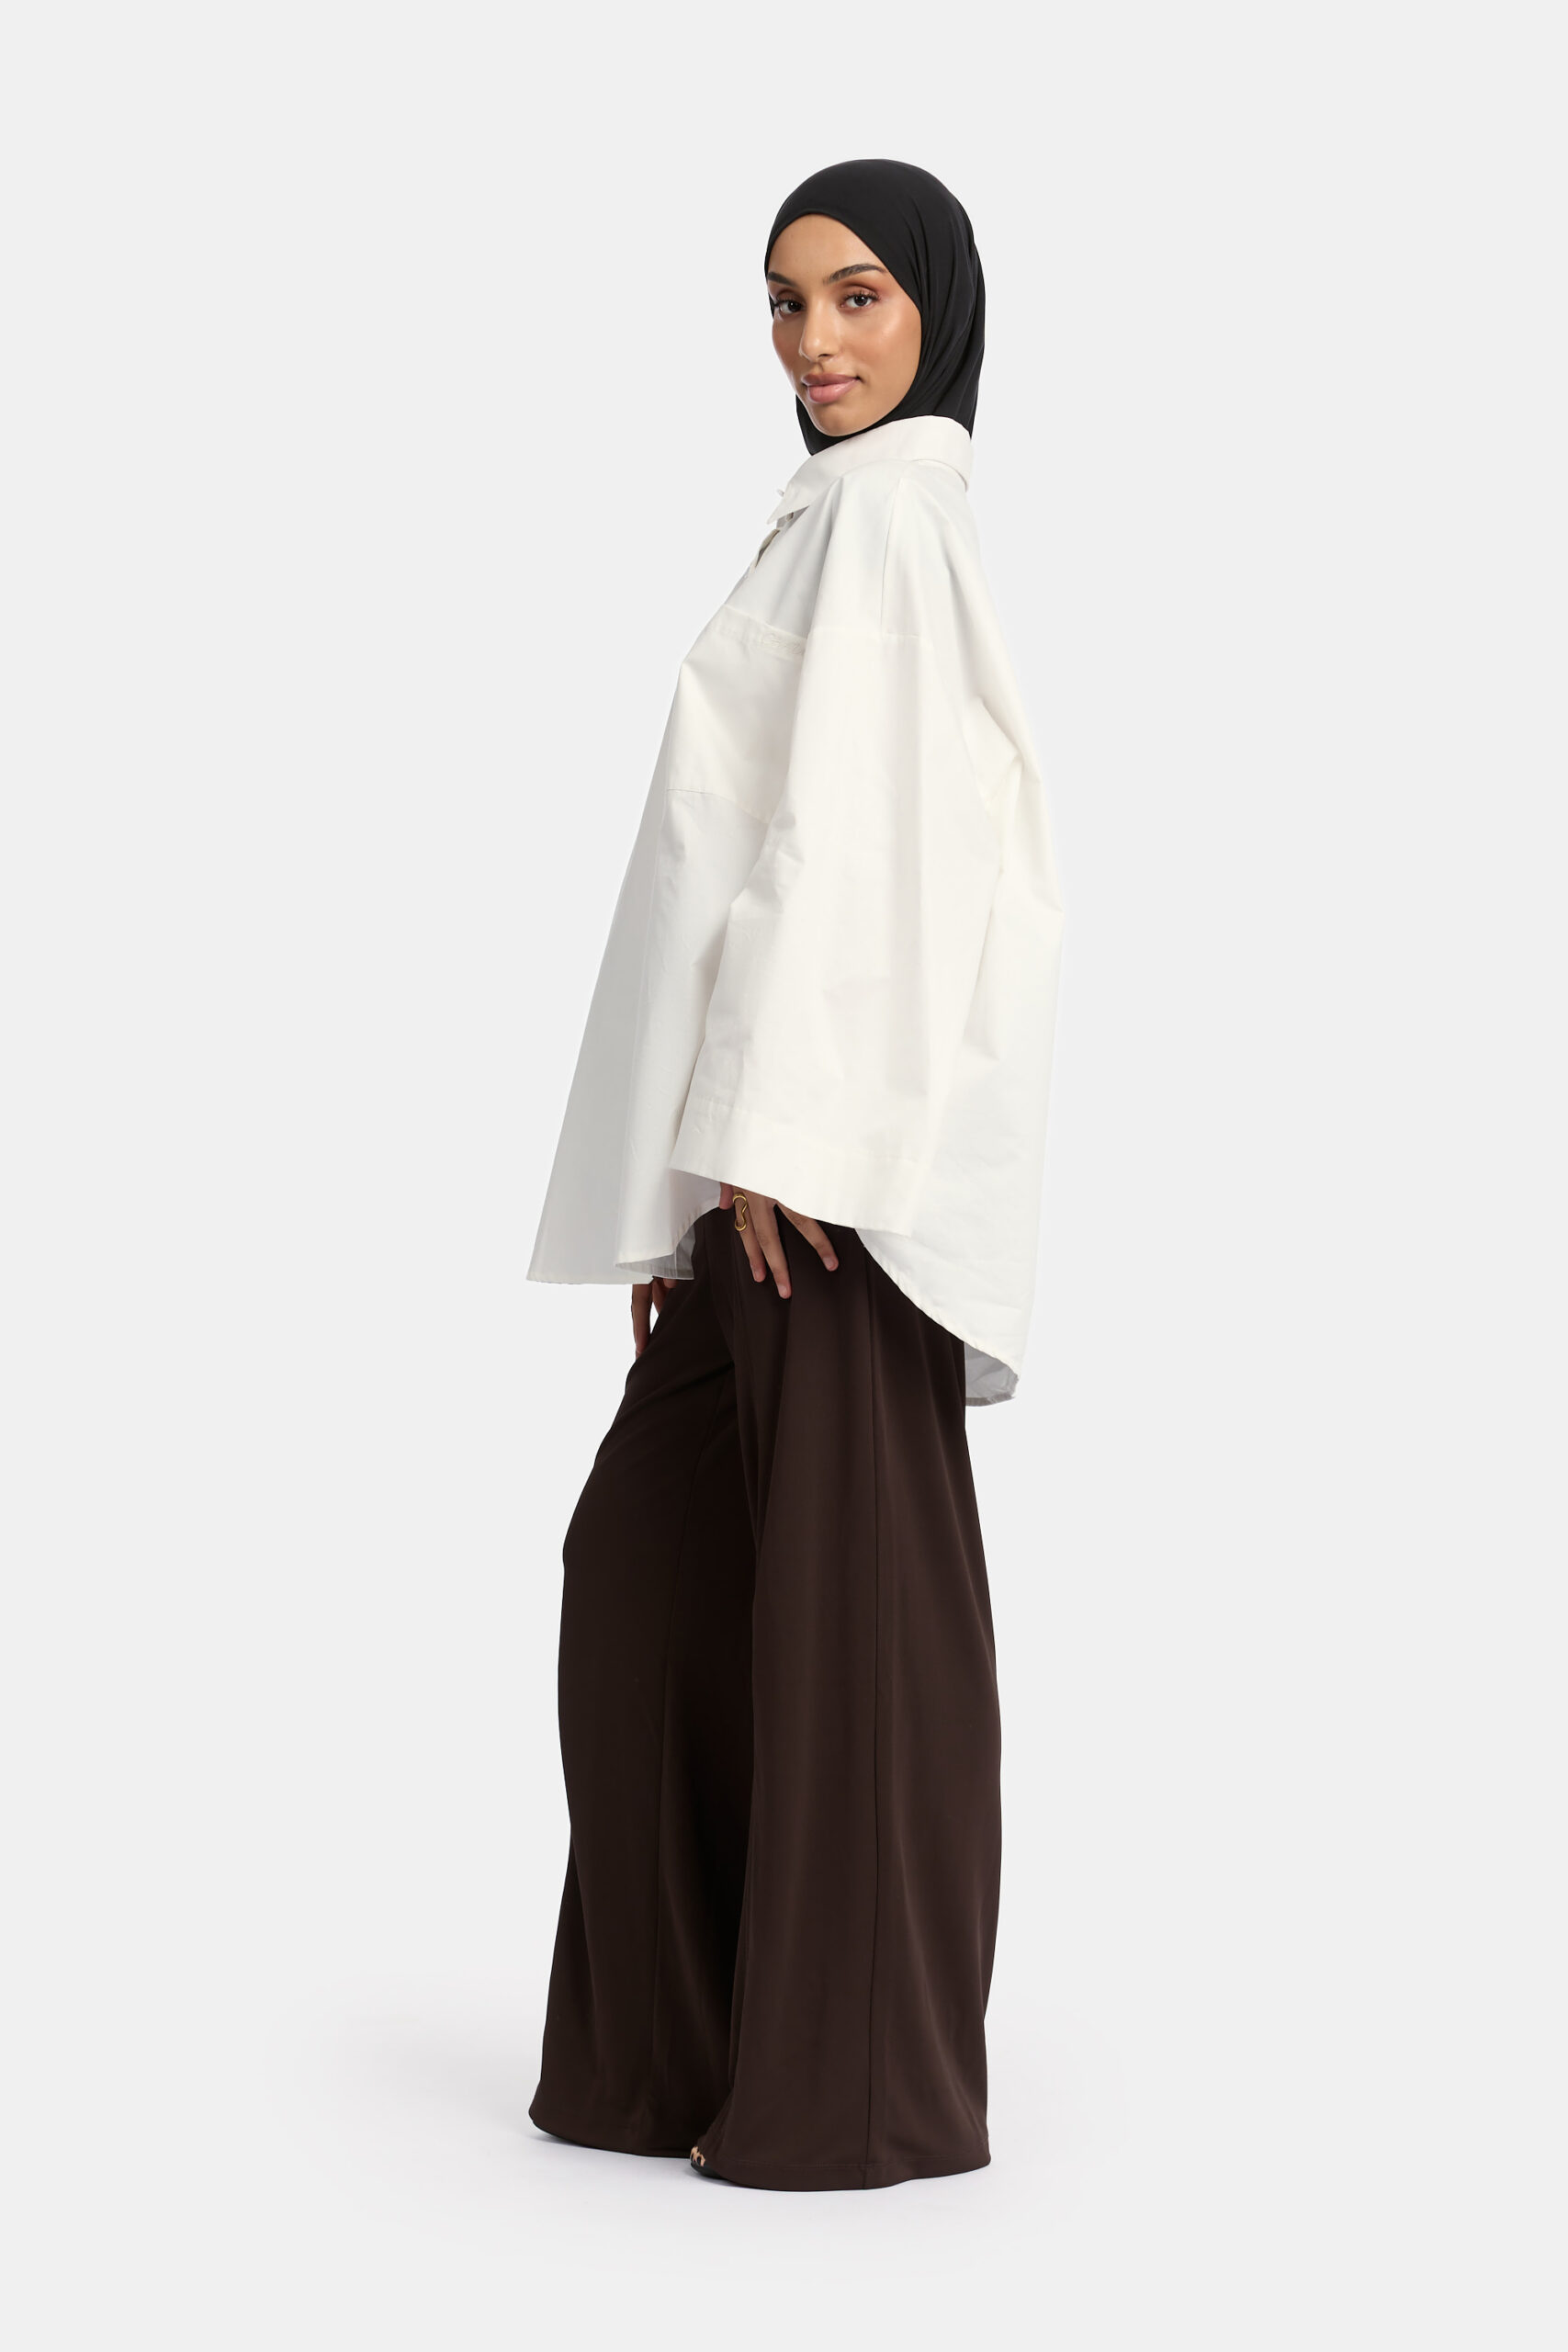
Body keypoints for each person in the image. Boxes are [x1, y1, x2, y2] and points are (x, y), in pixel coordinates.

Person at [525, 158, 1064, 2191]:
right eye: (781, 302)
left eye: (855, 297)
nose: (813, 341)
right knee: (650, 1570)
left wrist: (777, 1137)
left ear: (934, 306)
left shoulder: (894, 517)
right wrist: (686, 1176)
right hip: (747, 1166)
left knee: (848, 1618)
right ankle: (668, 2054)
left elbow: (867, 837)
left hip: (818, 1168)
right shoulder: (839, 513)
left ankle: (852, 2090)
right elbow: (728, 856)